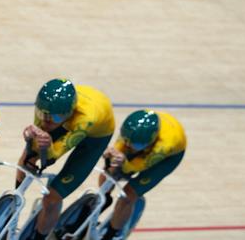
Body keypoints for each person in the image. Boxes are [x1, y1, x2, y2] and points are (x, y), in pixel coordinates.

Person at [18, 78, 115, 240]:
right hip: (69, 118)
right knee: (29, 156)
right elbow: (34, 148)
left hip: (96, 135)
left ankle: (40, 237)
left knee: (52, 199)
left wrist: (47, 146)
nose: (46, 121)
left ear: (69, 112)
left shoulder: (85, 119)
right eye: (42, 114)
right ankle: (15, 201)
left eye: (54, 118)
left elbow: (52, 157)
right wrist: (32, 143)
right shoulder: (48, 109)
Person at [100, 109, 186, 240]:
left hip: (166, 158)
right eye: (127, 141)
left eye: (136, 145)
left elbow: (137, 167)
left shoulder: (164, 146)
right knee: (111, 168)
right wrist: (112, 154)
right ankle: (103, 199)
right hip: (142, 138)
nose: (131, 147)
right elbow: (121, 146)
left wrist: (125, 163)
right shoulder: (132, 130)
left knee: (128, 195)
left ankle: (113, 233)